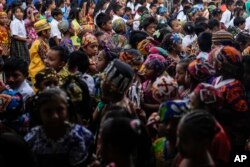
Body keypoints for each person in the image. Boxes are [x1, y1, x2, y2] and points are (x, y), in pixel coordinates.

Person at [24, 88, 94, 167]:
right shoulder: (32, 137)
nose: (55, 116)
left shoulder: (82, 135)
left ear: (67, 109)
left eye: (60, 110)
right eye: (48, 111)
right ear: (39, 113)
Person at [29, 19, 51, 86]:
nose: (50, 32)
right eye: (49, 31)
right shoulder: (39, 44)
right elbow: (46, 60)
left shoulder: (40, 42)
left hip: (38, 72)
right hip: (38, 73)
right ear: (44, 32)